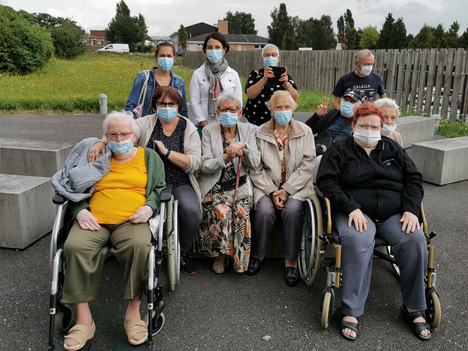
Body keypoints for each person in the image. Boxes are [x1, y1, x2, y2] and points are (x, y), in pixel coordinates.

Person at [316, 102, 430, 341]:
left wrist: (410, 210)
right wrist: (350, 207)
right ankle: (351, 311)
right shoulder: (339, 150)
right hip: (354, 213)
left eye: (375, 126)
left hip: (393, 213)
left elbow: (414, 178)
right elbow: (327, 182)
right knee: (358, 240)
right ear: (354, 125)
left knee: (415, 239)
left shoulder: (393, 149)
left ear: (382, 127)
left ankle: (414, 307)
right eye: (364, 125)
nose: (369, 130)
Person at [55, 112, 166, 350]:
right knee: (74, 247)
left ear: (134, 135)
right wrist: (80, 210)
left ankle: (133, 315)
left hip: (132, 220)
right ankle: (84, 320)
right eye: (113, 134)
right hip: (93, 219)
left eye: (125, 133)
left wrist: (149, 207)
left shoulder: (150, 157)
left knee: (140, 247)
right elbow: (75, 187)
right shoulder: (97, 155)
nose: (119, 138)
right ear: (106, 136)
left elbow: (159, 189)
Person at [88, 86, 201, 276]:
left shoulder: (187, 126)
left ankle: (184, 252)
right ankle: (129, 245)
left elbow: (195, 162)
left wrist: (167, 153)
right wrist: (101, 142)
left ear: (179, 106)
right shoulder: (145, 122)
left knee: (190, 210)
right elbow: (121, 131)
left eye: (171, 103)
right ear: (155, 105)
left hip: (177, 179)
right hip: (146, 179)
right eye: (162, 103)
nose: (166, 107)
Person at [247, 90, 316, 286]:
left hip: (297, 186)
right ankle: (258, 255)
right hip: (266, 184)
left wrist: (286, 190)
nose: (283, 110)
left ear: (293, 109)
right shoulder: (260, 132)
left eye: (287, 107)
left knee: (293, 211)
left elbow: (308, 165)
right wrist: (272, 190)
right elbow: (255, 166)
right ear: (271, 109)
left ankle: (291, 261)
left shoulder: (305, 131)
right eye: (279, 107)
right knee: (264, 211)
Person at [197, 92, 261, 274]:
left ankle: (239, 261)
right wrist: (225, 158)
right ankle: (221, 255)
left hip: (240, 187)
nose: (228, 113)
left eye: (232, 110)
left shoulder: (249, 131)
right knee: (223, 211)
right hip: (215, 187)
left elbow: (256, 162)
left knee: (241, 212)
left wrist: (244, 148)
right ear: (217, 113)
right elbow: (205, 165)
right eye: (224, 110)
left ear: (239, 113)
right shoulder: (209, 131)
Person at [189, 32, 243, 137]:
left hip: (229, 127)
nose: (214, 50)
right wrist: (205, 125)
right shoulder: (198, 74)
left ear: (224, 50)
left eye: (218, 47)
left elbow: (238, 102)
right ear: (205, 50)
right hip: (204, 128)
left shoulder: (233, 74)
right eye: (210, 47)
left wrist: (230, 121)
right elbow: (194, 102)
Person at [125, 40, 188, 118]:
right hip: (146, 127)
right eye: (162, 55)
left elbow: (183, 111)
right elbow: (130, 106)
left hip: (171, 128)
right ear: (156, 58)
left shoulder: (179, 82)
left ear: (174, 58)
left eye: (169, 56)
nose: (165, 58)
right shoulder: (143, 77)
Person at [243, 44, 299, 127]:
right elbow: (250, 94)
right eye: (267, 55)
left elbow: (295, 98)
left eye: (273, 55)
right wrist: (264, 79)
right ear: (262, 59)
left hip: (280, 124)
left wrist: (287, 84)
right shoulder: (256, 74)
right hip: (256, 123)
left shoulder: (286, 77)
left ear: (278, 58)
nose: (270, 57)